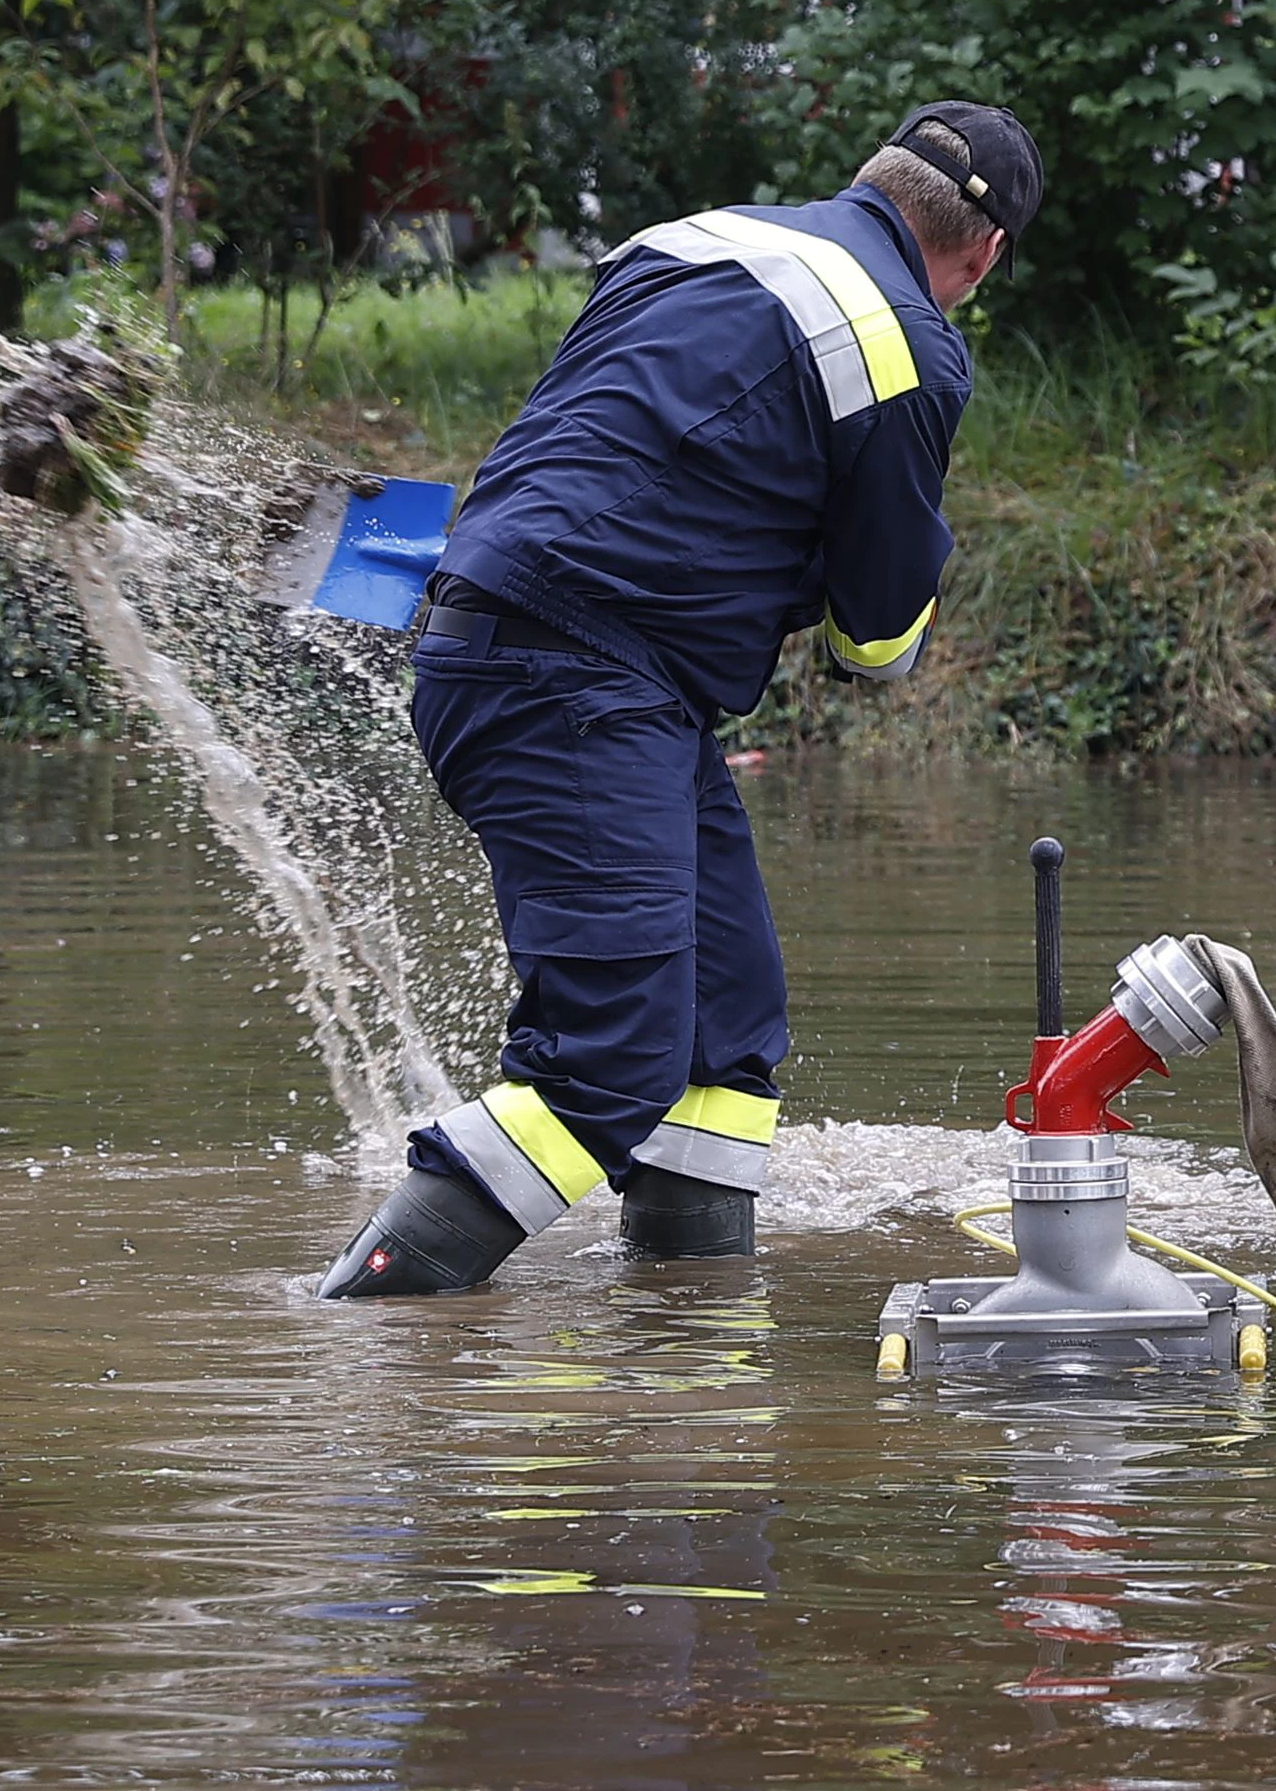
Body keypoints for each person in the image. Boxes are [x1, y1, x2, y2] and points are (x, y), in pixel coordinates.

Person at [320, 102, 1041, 1296]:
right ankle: (355, 1348)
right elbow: (873, 642)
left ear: (873, 182)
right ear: (987, 250)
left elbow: (622, 448)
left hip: (519, 639)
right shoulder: (907, 344)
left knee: (724, 1029)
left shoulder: (689, 242)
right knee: (607, 1061)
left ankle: (688, 1363)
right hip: (579, 678)